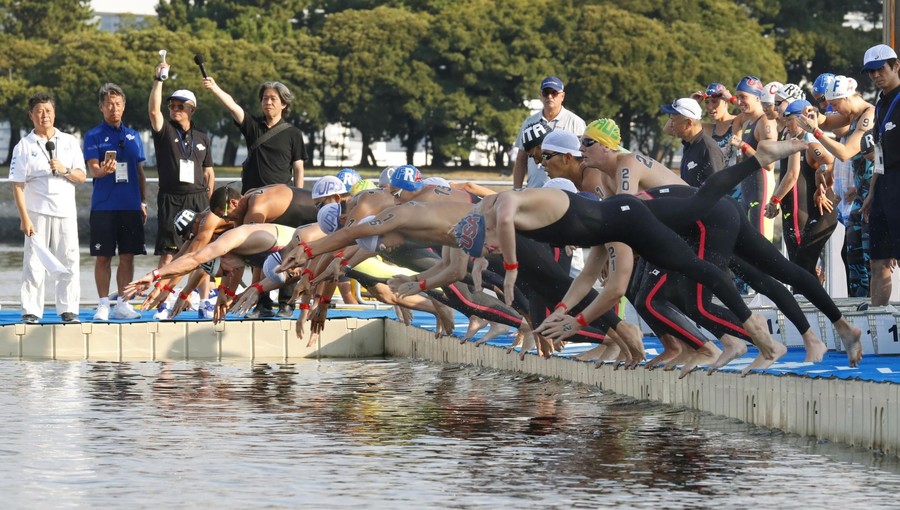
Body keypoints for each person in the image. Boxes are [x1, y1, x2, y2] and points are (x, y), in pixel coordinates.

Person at [9, 92, 87, 324]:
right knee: (34, 262)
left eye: (49, 111)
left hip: (65, 212)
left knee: (70, 260)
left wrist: (64, 169)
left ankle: (68, 310)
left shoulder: (69, 141)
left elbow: (81, 176)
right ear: (31, 115)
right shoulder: (24, 146)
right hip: (37, 212)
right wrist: (24, 218)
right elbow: (17, 185)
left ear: (54, 113)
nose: (45, 116)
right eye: (40, 112)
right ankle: (31, 311)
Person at [83, 83, 147, 321]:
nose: (114, 108)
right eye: (109, 104)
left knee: (128, 255)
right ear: (101, 107)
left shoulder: (134, 136)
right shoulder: (93, 136)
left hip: (130, 205)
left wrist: (143, 201)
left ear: (124, 106)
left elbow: (139, 172)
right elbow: (94, 170)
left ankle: (123, 302)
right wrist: (104, 170)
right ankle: (102, 304)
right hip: (104, 206)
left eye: (118, 104)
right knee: (103, 256)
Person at [150, 61, 215, 268]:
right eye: (172, 106)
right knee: (169, 252)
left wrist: (211, 204)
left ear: (192, 109)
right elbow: (153, 112)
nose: (175, 109)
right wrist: (158, 80)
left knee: (203, 251)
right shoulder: (165, 131)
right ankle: (161, 298)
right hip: (172, 198)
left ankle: (202, 298)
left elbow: (209, 172)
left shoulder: (202, 137)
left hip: (198, 198)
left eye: (181, 106)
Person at [765, 100, 837, 277]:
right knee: (799, 264)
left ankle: (809, 300)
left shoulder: (809, 143)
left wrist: (823, 186)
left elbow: (829, 163)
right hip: (794, 208)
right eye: (786, 120)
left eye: (790, 120)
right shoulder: (794, 139)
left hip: (804, 210)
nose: (787, 124)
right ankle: (808, 299)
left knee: (801, 265)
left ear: (802, 119)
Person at [202, 77, 306, 193]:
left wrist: (298, 197)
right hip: (252, 195)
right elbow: (232, 106)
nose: (268, 102)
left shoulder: (293, 133)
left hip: (281, 197)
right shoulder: (252, 125)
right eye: (265, 98)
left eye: (273, 99)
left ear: (284, 104)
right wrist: (214, 88)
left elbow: (298, 168)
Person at [861, 44, 900, 307]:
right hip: (884, 184)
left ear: (896, 66)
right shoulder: (879, 105)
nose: (876, 75)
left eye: (881, 69)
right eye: (871, 71)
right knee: (878, 259)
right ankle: (876, 324)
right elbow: (879, 153)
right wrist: (872, 192)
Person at [512, 76, 585, 189]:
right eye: (546, 93)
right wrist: (517, 189)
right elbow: (521, 160)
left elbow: (582, 160)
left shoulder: (576, 122)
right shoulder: (529, 122)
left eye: (554, 93)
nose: (550, 96)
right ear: (540, 95)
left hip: (567, 192)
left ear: (562, 96)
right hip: (535, 189)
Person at [731, 76, 777, 240]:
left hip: (761, 191)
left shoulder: (765, 123)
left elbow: (770, 163)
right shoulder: (748, 121)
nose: (738, 102)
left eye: (743, 97)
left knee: (762, 246)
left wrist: (743, 146)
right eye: (737, 97)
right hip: (747, 191)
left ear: (758, 98)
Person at [662, 98, 725, 186]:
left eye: (673, 120)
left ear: (688, 123)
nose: (671, 125)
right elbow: (667, 130)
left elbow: (717, 188)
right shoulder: (689, 144)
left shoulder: (708, 148)